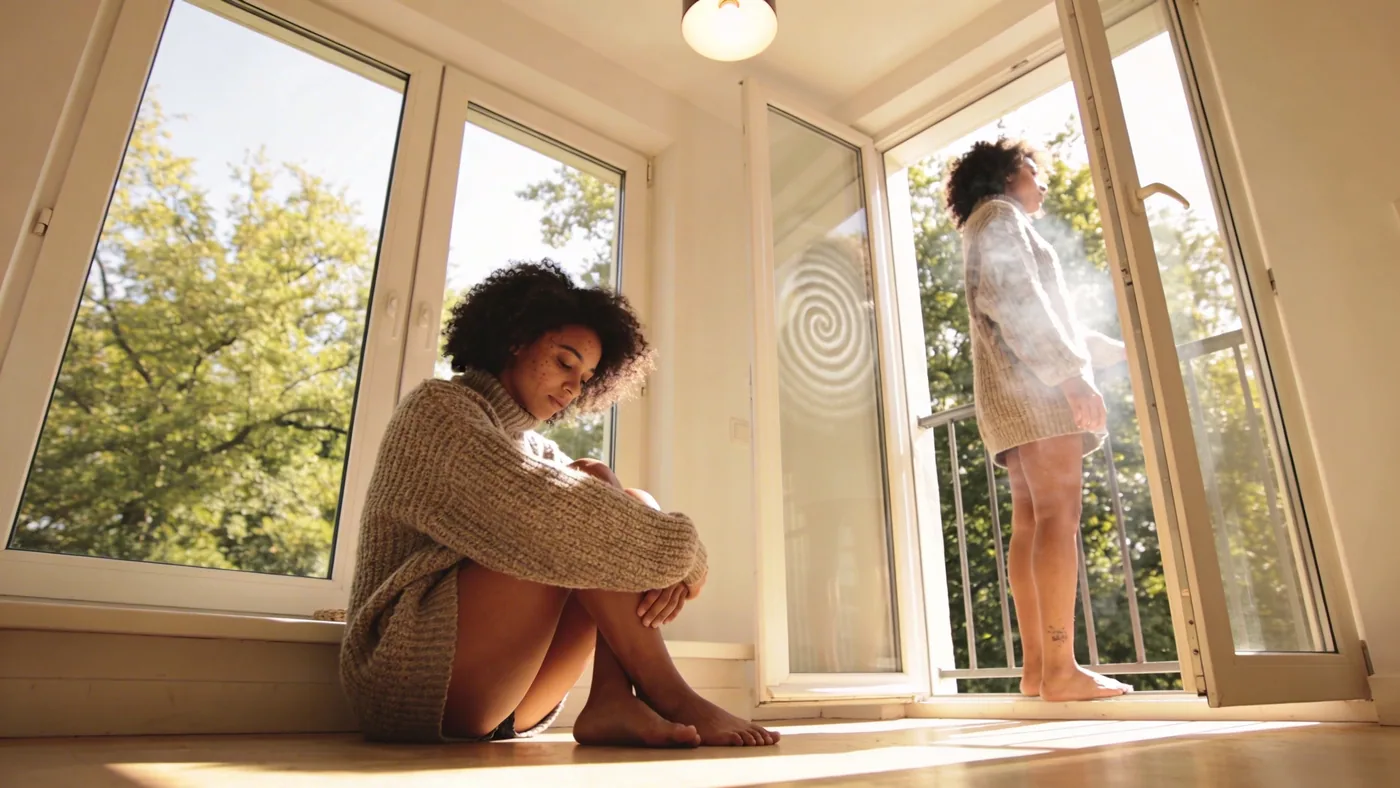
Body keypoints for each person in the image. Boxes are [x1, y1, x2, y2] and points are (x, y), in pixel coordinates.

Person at [340, 261, 779, 747]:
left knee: (608, 488)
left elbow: (599, 517)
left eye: (587, 377)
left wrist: (657, 546)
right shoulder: (439, 412)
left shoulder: (536, 450)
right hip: (408, 674)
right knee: (582, 511)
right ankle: (671, 694)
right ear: (516, 339)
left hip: (508, 697)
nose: (574, 387)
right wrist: (687, 557)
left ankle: (611, 698)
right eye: (565, 362)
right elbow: (558, 519)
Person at [947, 139, 1132, 702]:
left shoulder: (985, 224)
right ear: (1005, 175)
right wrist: (1072, 377)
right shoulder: (1002, 218)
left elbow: (1039, 312)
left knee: (1032, 522)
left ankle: (1038, 670)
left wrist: (1109, 350)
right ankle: (1060, 669)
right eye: (1034, 169)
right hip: (1037, 392)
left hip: (1014, 395)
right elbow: (1019, 300)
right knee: (1059, 517)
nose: (1043, 181)